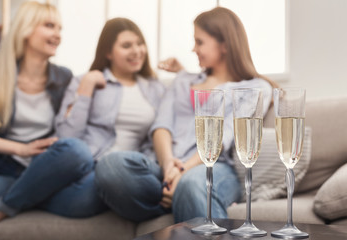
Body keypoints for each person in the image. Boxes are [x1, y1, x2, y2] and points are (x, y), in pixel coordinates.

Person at [94, 6, 277, 223]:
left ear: (225, 44)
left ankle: (180, 196)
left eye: (199, 42)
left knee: (192, 184)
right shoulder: (183, 81)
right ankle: (175, 199)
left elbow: (224, 137)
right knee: (110, 166)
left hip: (212, 168)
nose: (193, 49)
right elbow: (162, 125)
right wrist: (169, 165)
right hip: (165, 168)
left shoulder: (256, 88)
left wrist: (184, 170)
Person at [0, 1, 102, 230]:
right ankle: (29, 194)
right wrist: (20, 149)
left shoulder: (64, 77)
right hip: (7, 166)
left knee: (78, 155)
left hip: (47, 164)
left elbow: (71, 132)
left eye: (60, 29)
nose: (57, 35)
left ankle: (3, 208)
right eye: (50, 26)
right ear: (27, 30)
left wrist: (86, 85)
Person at [55, 17, 165, 216]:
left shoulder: (156, 88)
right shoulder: (83, 81)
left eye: (140, 44)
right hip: (95, 167)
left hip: (137, 167)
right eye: (126, 45)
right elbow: (67, 138)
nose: (136, 51)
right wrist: (87, 88)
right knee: (86, 196)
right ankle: (153, 210)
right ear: (108, 52)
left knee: (114, 172)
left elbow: (165, 132)